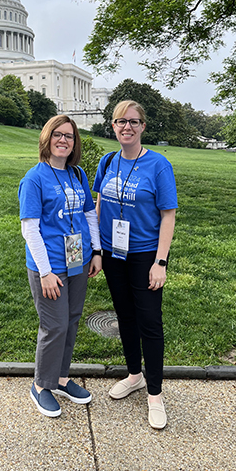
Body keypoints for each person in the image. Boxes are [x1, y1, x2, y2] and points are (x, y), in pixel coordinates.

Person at [92, 100, 177, 429]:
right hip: (113, 253)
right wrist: (97, 250)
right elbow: (99, 204)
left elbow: (168, 216)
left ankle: (154, 394)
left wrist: (160, 262)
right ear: (112, 126)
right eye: (120, 122)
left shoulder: (158, 165)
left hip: (144, 255)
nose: (126, 127)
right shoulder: (108, 161)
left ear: (143, 126)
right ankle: (134, 375)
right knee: (125, 316)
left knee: (150, 322)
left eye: (133, 122)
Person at [18, 115, 102, 418]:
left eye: (69, 136)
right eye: (58, 134)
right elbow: (30, 229)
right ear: (47, 139)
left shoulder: (78, 175)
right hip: (50, 265)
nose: (63, 140)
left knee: (72, 320)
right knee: (54, 325)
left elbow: (89, 215)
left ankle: (61, 378)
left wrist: (97, 251)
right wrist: (45, 271)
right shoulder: (34, 178)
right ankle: (41, 385)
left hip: (78, 259)